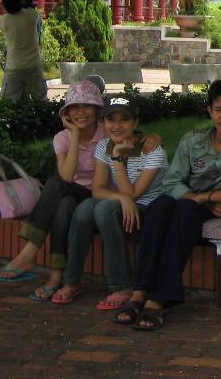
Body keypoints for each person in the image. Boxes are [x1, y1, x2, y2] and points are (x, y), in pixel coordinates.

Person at [114, 76, 221, 331]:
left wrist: (205, 199)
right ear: (209, 111)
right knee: (160, 207)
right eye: (219, 110)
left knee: (184, 211)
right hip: (191, 201)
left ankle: (159, 299)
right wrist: (196, 199)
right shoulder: (193, 140)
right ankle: (140, 292)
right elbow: (172, 182)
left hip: (219, 208)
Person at [0, 80, 106, 300]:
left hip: (98, 195)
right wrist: (73, 136)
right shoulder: (62, 138)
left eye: (87, 106)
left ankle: (29, 253)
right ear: (67, 113)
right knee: (64, 204)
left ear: (97, 109)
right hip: (72, 194)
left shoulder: (105, 135)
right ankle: (55, 277)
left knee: (55, 184)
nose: (80, 112)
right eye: (74, 107)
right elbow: (68, 176)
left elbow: (64, 178)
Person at [52, 96, 168, 308]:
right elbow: (98, 189)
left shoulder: (153, 152)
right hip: (120, 207)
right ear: (103, 123)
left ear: (135, 123)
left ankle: (122, 285)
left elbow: (133, 196)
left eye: (124, 119)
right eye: (111, 119)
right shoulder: (104, 146)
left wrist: (117, 160)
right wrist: (122, 197)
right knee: (85, 208)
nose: (117, 126)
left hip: (146, 214)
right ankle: (71, 281)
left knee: (104, 209)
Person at [0, 0, 47, 100]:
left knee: (9, 102)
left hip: (13, 66)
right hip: (34, 65)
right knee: (40, 100)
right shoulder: (32, 15)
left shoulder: (2, 20)